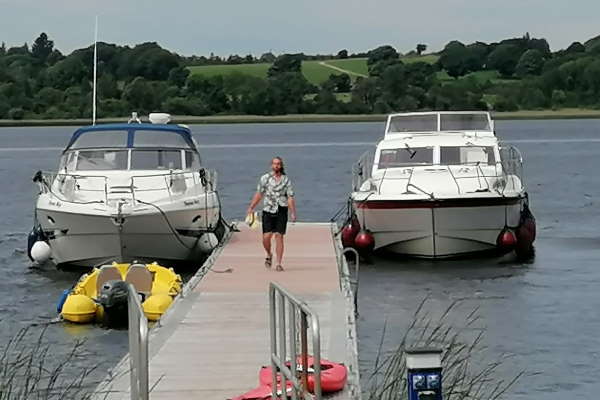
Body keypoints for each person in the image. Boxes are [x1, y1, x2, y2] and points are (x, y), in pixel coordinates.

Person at [247, 157, 296, 271]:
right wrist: (251, 207)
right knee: (266, 237)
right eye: (274, 164)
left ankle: (279, 263)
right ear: (271, 165)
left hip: (281, 209)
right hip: (268, 210)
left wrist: (293, 212)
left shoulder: (286, 180)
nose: (276, 166)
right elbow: (259, 194)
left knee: (279, 236)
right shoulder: (265, 178)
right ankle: (269, 254)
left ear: (281, 166)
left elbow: (290, 197)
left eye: (278, 164)